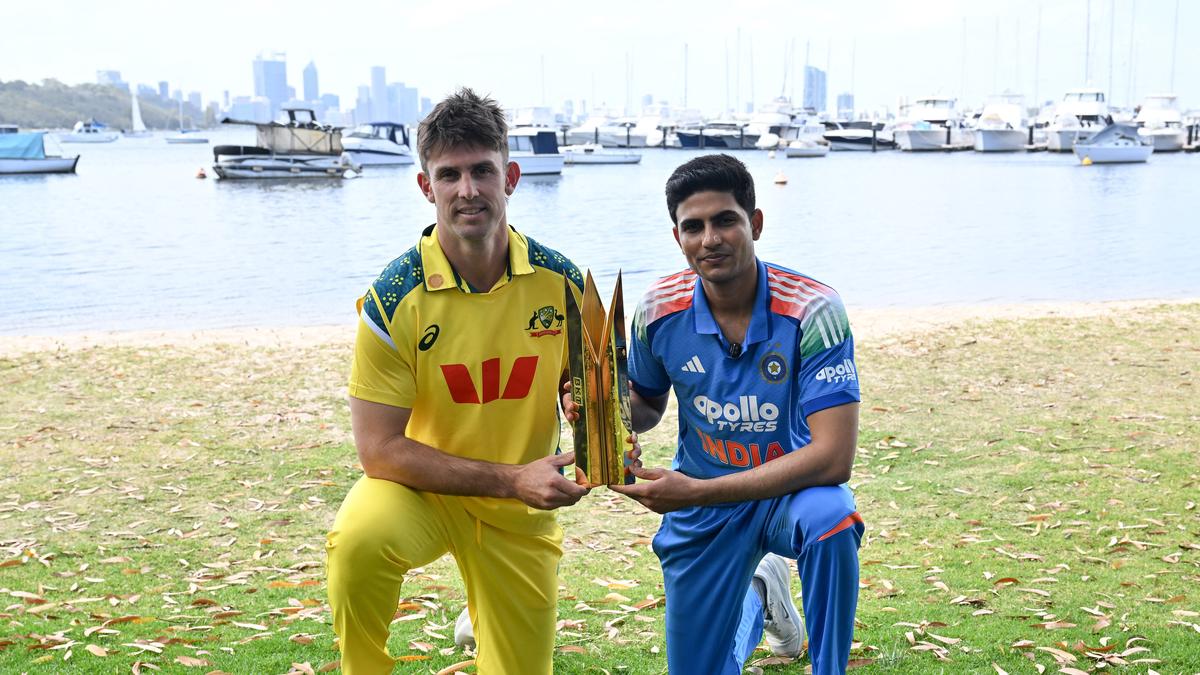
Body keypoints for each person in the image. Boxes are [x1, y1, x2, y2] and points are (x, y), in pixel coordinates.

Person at [325, 88, 591, 675]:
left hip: (518, 511)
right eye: (449, 175)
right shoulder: (392, 299)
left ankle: (487, 605)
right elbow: (378, 451)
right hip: (421, 492)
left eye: (482, 171)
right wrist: (511, 479)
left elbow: (594, 394)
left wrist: (591, 412)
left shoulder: (564, 283)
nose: (468, 190)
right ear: (427, 187)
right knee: (357, 543)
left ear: (510, 177)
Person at [612, 154, 864, 674]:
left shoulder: (813, 309)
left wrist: (694, 492)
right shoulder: (657, 310)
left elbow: (834, 458)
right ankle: (761, 594)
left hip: (790, 494)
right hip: (703, 508)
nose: (710, 239)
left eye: (725, 220)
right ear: (677, 237)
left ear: (756, 223)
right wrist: (599, 411)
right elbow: (647, 406)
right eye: (693, 227)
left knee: (832, 519)